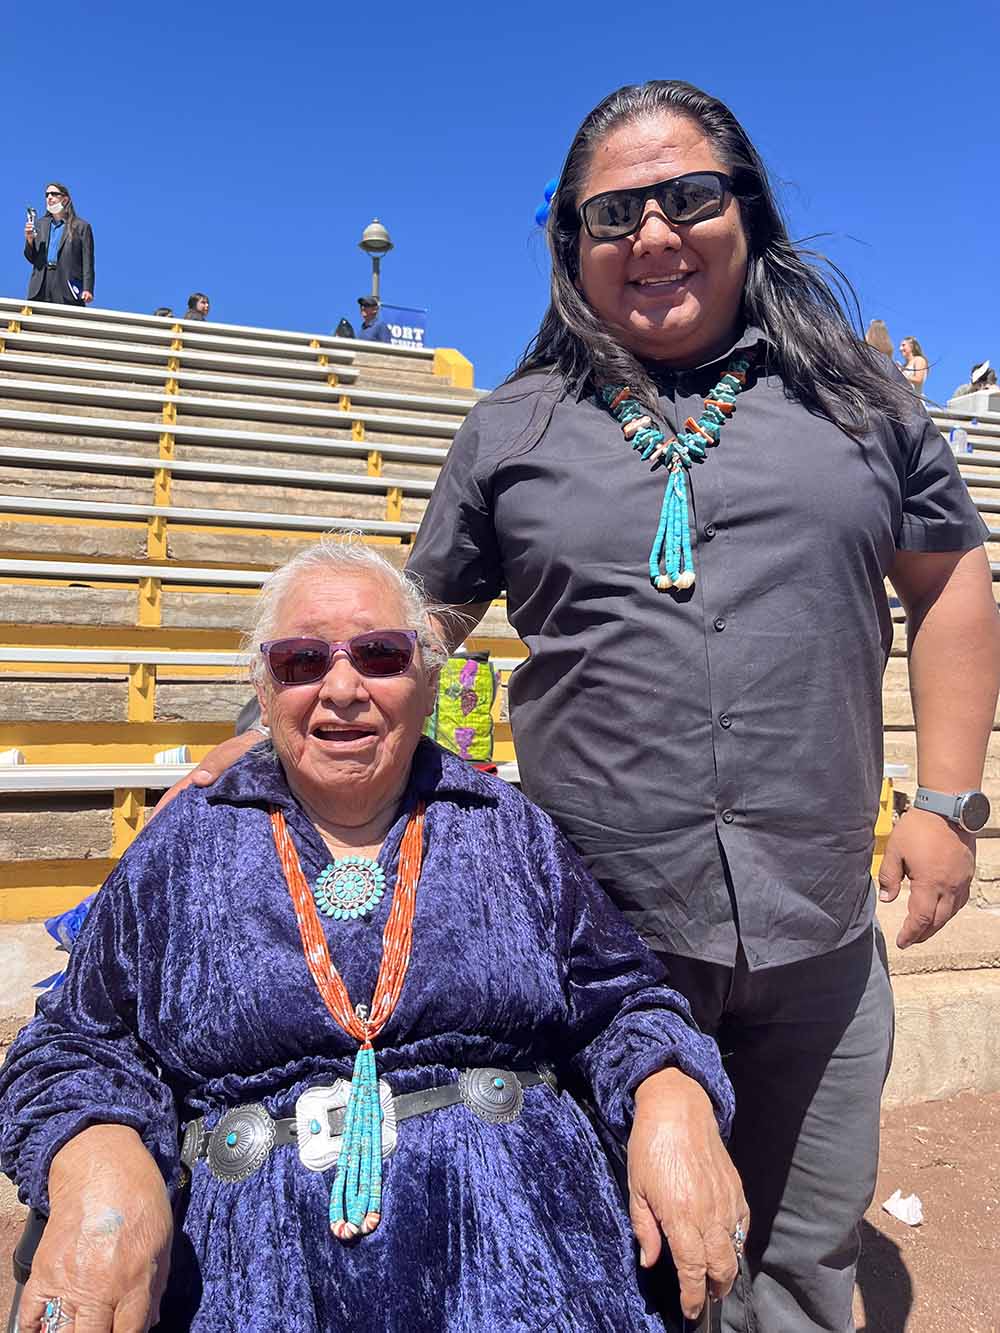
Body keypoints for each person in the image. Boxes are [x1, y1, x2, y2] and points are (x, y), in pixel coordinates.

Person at [146, 79, 999, 1331]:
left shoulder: (861, 408)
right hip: (599, 942)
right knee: (610, 1253)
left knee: (805, 1259)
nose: (652, 234)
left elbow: (949, 579)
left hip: (818, 925)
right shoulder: (510, 428)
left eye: (688, 197)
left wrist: (946, 800)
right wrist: (269, 735)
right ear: (572, 247)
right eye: (614, 215)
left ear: (745, 211)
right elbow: (415, 620)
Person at [0, 541, 746, 1333]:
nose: (344, 688)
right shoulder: (185, 843)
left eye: (381, 655)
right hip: (263, 1280)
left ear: (425, 681)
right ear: (264, 685)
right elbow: (76, 1044)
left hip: (522, 1254)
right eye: (302, 660)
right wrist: (99, 1162)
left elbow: (625, 999)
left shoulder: (507, 829)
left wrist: (671, 1091)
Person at [23, 182, 94, 306]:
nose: (49, 197)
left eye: (54, 194)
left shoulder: (81, 226)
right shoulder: (40, 224)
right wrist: (29, 240)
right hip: (41, 284)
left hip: (67, 285)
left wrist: (87, 289)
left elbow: (88, 261)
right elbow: (32, 258)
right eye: (47, 195)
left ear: (65, 199)